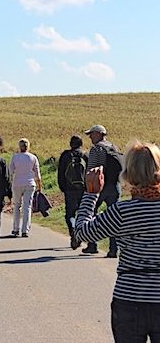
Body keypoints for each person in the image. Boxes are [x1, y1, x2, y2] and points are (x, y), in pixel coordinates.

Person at [75, 141, 160, 341]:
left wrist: (91, 194)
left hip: (129, 298)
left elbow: (82, 233)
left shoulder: (122, 212)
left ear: (129, 173)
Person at [81, 125, 123, 258]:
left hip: (100, 186)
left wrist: (89, 187)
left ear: (99, 134)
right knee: (115, 217)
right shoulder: (114, 147)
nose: (90, 137)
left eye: (91, 134)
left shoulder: (96, 149)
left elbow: (91, 169)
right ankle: (113, 249)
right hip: (115, 185)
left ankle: (92, 244)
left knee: (91, 213)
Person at [58, 135, 88, 250]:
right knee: (83, 214)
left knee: (70, 214)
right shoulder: (85, 155)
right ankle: (81, 235)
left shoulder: (65, 155)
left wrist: (62, 187)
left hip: (69, 189)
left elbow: (60, 173)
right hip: (83, 189)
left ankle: (73, 231)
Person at [9, 138, 41, 238]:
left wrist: (10, 183)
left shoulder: (15, 157)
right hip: (30, 183)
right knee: (27, 207)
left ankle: (15, 228)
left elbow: (10, 172)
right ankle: (25, 230)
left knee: (17, 206)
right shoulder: (33, 157)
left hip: (17, 183)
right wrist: (39, 186)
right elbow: (37, 174)